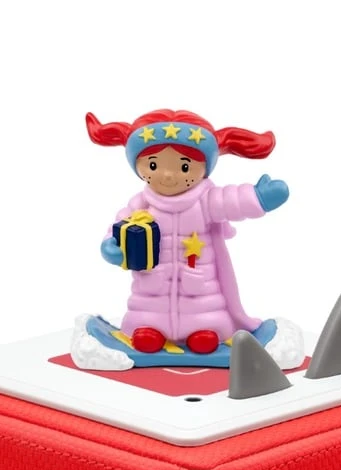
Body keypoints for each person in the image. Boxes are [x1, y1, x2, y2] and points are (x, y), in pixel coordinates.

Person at [86, 109, 289, 354]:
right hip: (151, 290)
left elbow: (232, 201)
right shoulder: (141, 205)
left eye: (184, 166)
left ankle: (203, 332)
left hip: (200, 291)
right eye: (153, 165)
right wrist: (112, 246)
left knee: (204, 310)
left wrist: (259, 198)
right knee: (148, 309)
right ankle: (149, 330)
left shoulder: (206, 200)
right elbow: (118, 227)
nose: (168, 175)